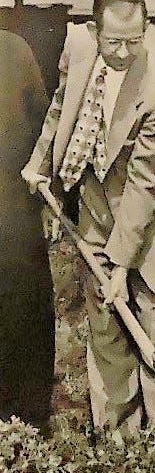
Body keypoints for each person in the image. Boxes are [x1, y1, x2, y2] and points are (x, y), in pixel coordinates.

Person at [22, 0, 155, 439]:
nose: (122, 52)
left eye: (134, 41)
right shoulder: (78, 49)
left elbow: (148, 186)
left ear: (147, 30)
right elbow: (63, 108)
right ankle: (118, 443)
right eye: (113, 41)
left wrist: (120, 264)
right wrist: (40, 164)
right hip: (98, 213)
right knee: (106, 333)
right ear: (93, 31)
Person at [0, 29, 55, 429]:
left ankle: (28, 417)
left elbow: (43, 130)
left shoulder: (16, 50)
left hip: (13, 207)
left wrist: (47, 196)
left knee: (25, 309)